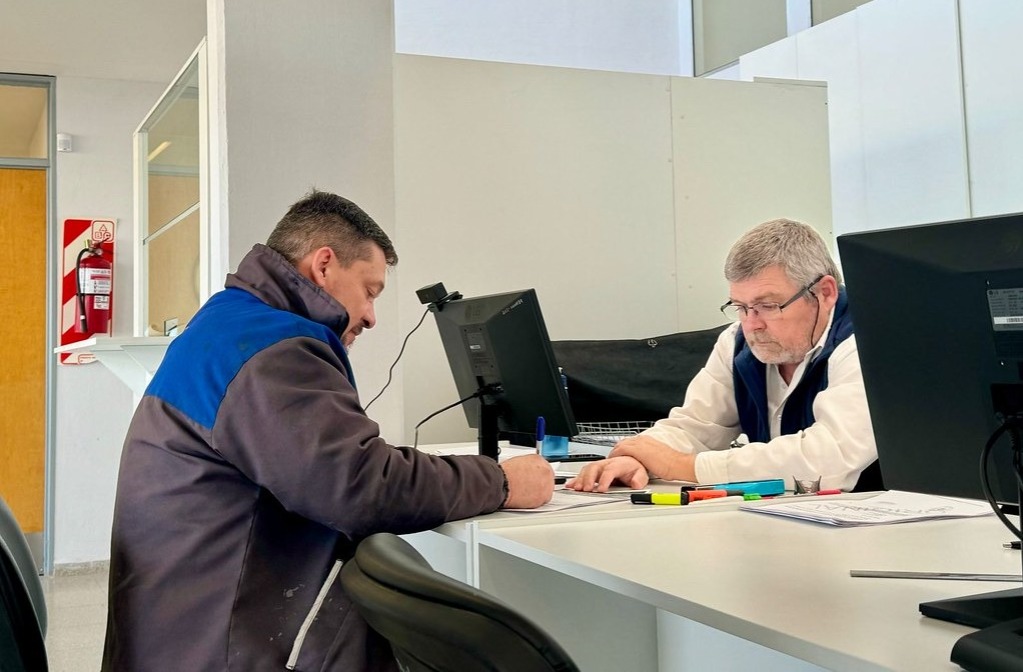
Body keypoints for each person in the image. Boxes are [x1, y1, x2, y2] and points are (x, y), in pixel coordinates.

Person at [102, 190, 554, 671]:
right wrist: (502, 481)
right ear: (323, 266)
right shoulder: (274, 350)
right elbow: (359, 486)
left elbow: (335, 467)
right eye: (370, 290)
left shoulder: (231, 323)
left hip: (179, 633)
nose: (372, 317)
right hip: (220, 648)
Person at [567, 218, 878, 494]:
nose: (752, 323)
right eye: (740, 307)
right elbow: (695, 426)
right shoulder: (736, 343)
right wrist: (634, 458)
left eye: (768, 306)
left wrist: (682, 466)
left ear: (824, 292)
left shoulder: (868, 341)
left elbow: (829, 458)